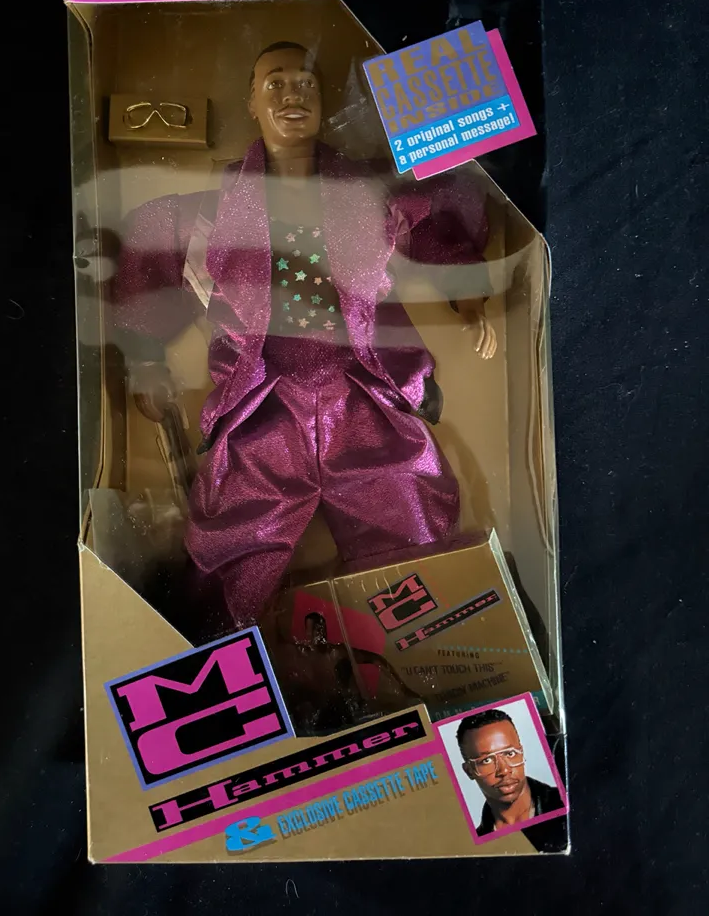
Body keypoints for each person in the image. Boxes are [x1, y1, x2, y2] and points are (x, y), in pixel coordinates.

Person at [112, 41, 496, 629]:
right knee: (230, 545)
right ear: (251, 102)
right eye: (276, 84)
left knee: (412, 525)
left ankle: (431, 656)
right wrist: (145, 358)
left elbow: (436, 215)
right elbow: (151, 246)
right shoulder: (214, 210)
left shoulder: (367, 196)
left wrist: (469, 298)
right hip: (266, 403)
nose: (293, 95)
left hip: (362, 394)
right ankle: (222, 663)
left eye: (306, 84)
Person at [456, 707, 564, 837]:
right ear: (469, 771)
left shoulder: (566, 800)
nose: (504, 770)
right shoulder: (475, 840)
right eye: (486, 760)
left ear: (521, 753)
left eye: (510, 753)